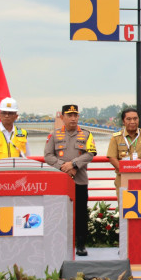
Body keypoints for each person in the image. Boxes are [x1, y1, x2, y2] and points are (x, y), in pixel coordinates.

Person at [44, 105, 97, 256]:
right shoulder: (54, 135)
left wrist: (74, 164)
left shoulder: (86, 135)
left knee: (81, 213)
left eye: (75, 115)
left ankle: (81, 245)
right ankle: (59, 242)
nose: (73, 118)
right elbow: (48, 156)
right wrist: (64, 166)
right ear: (62, 117)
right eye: (70, 115)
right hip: (61, 182)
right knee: (59, 212)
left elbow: (90, 153)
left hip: (79, 180)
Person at [107, 107, 141, 200]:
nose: (132, 121)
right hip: (123, 178)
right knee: (125, 209)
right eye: (129, 119)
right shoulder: (116, 138)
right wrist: (126, 170)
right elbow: (112, 157)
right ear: (123, 121)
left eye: (135, 118)